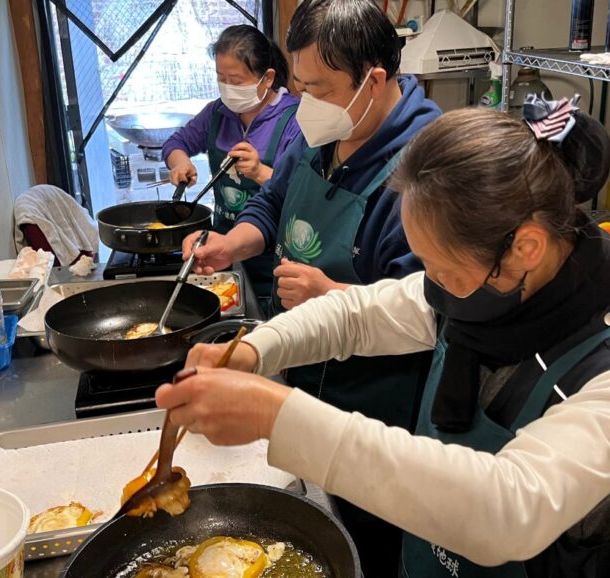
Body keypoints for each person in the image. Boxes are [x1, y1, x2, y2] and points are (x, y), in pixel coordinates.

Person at [159, 107, 610, 577]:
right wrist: (255, 349)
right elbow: (356, 314)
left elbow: (507, 509)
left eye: (442, 268)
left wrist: (280, 418)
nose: (429, 283)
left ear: (526, 247)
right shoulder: (477, 291)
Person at [181, 0, 441, 573]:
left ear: (373, 81)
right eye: (300, 86)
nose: (307, 104)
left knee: (363, 544)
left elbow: (428, 311)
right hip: (303, 368)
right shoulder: (322, 126)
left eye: (319, 88)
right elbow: (273, 201)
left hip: (374, 401)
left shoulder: (425, 168)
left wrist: (332, 293)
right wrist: (233, 243)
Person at [162, 24, 301, 304]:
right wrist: (181, 164)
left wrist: (261, 172)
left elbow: (302, 191)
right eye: (221, 79)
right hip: (222, 249)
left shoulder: (294, 120)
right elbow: (175, 144)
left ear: (267, 78)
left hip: (274, 259)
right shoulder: (218, 113)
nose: (227, 88)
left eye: (236, 81)